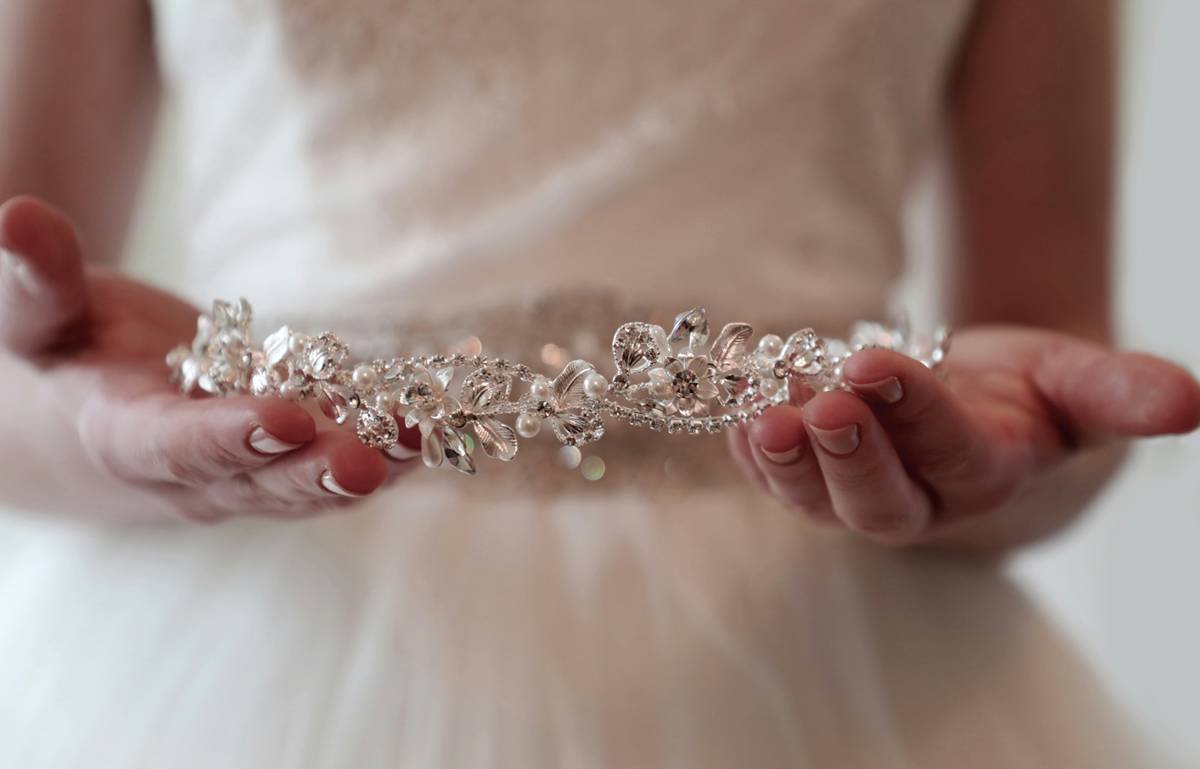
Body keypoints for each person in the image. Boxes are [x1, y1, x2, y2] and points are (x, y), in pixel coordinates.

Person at [1, 0, 1197, 766]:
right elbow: (18, 338)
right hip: (233, 638)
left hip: (824, 637)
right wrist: (97, 432)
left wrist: (992, 475)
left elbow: (1047, 358)